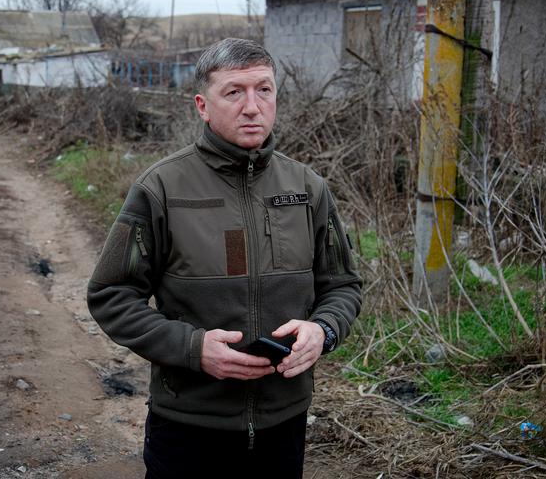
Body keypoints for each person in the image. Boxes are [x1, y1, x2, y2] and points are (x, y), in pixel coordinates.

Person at [87, 38, 361, 478]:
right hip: (188, 427)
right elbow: (111, 295)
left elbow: (342, 286)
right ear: (202, 105)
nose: (252, 106)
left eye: (264, 90)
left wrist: (323, 330)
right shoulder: (160, 188)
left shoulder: (308, 188)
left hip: (284, 423)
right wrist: (194, 349)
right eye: (234, 92)